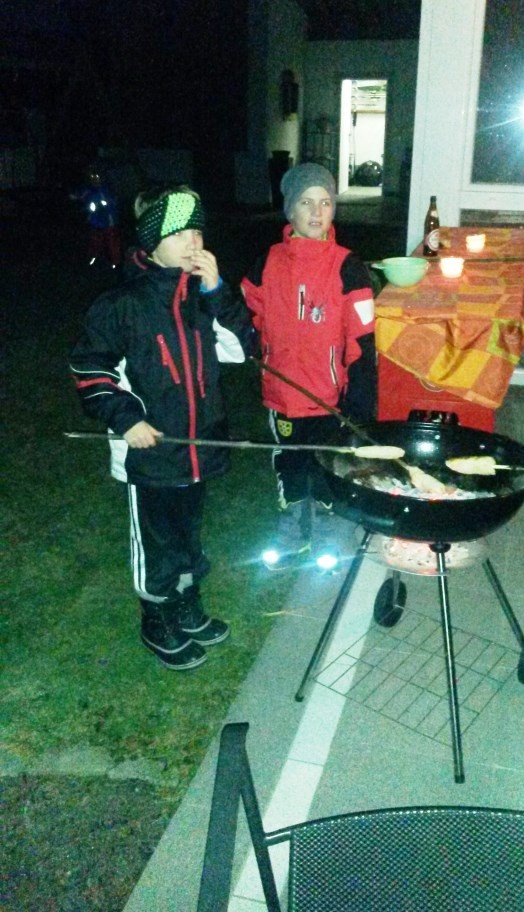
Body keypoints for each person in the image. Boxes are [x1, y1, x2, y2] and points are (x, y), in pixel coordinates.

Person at [70, 185, 253, 670]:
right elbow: (91, 371)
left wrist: (217, 293)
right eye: (180, 233)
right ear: (151, 246)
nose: (195, 242)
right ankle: (156, 616)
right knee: (156, 545)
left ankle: (186, 606)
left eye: (198, 231)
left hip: (196, 450)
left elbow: (243, 348)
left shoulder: (200, 298)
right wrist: (126, 418)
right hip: (149, 454)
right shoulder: (121, 306)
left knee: (189, 537)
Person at [241, 162, 376, 570]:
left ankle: (331, 535)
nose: (317, 212)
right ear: (290, 210)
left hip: (330, 399)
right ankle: (292, 531)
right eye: (306, 202)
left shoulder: (348, 266)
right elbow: (245, 320)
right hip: (283, 397)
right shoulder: (267, 263)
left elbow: (364, 340)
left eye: (325, 202)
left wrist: (361, 400)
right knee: (291, 465)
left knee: (329, 467)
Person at [72, 166, 121, 268]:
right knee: (94, 242)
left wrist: (106, 206)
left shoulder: (107, 190)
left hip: (109, 222)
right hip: (95, 222)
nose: (94, 179)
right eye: (92, 177)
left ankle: (115, 263)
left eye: (97, 176)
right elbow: (78, 197)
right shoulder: (88, 191)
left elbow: (113, 204)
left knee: (112, 244)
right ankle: (93, 259)